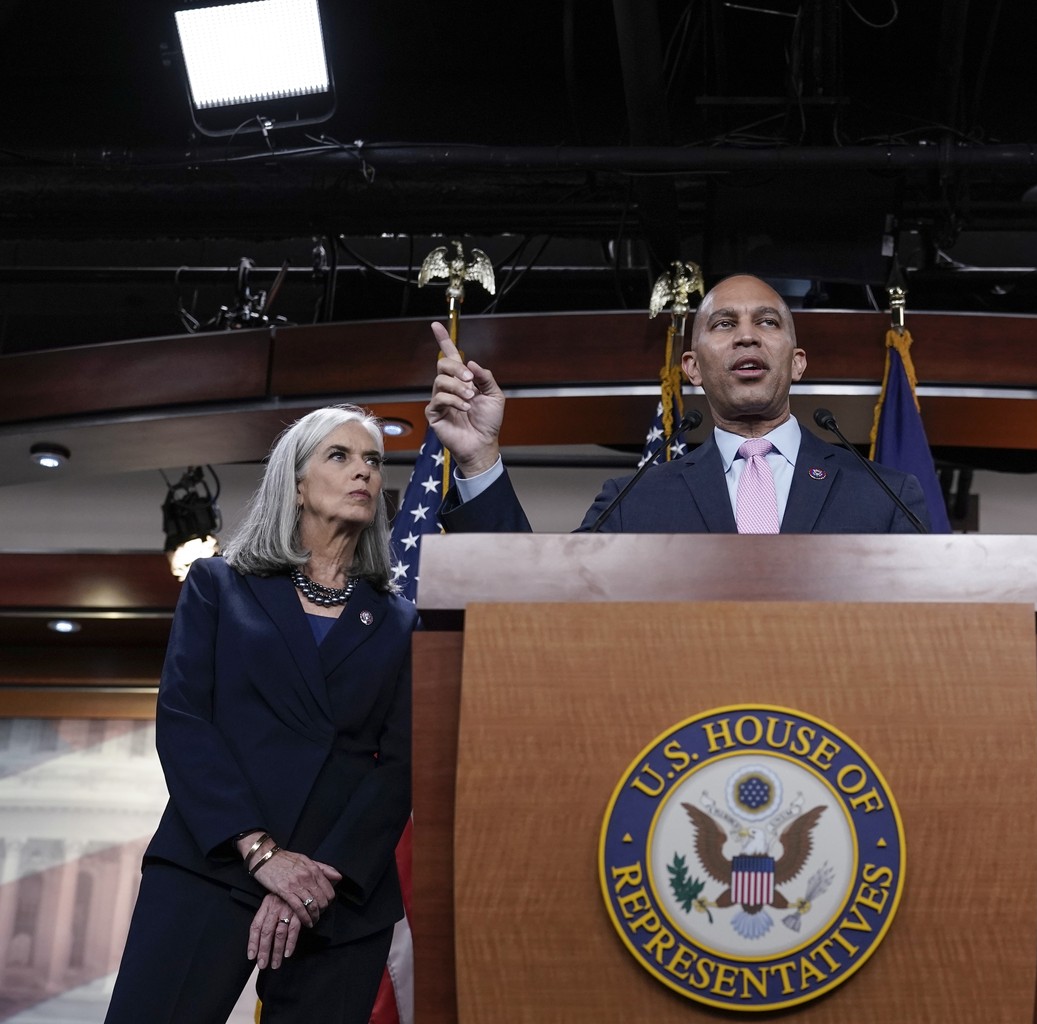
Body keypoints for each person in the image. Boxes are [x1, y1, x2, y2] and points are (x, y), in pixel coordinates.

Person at [106, 405, 415, 1024]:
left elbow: (402, 763)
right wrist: (266, 857)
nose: (364, 473)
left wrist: (313, 880)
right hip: (213, 863)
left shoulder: (401, 621)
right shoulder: (219, 585)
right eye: (341, 456)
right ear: (296, 483)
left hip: (339, 893)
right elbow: (186, 721)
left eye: (374, 461)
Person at [425, 273, 930, 533]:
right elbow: (533, 597)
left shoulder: (884, 497)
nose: (747, 338)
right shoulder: (635, 502)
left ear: (797, 362)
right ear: (691, 367)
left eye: (768, 322)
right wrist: (477, 456)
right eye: (724, 324)